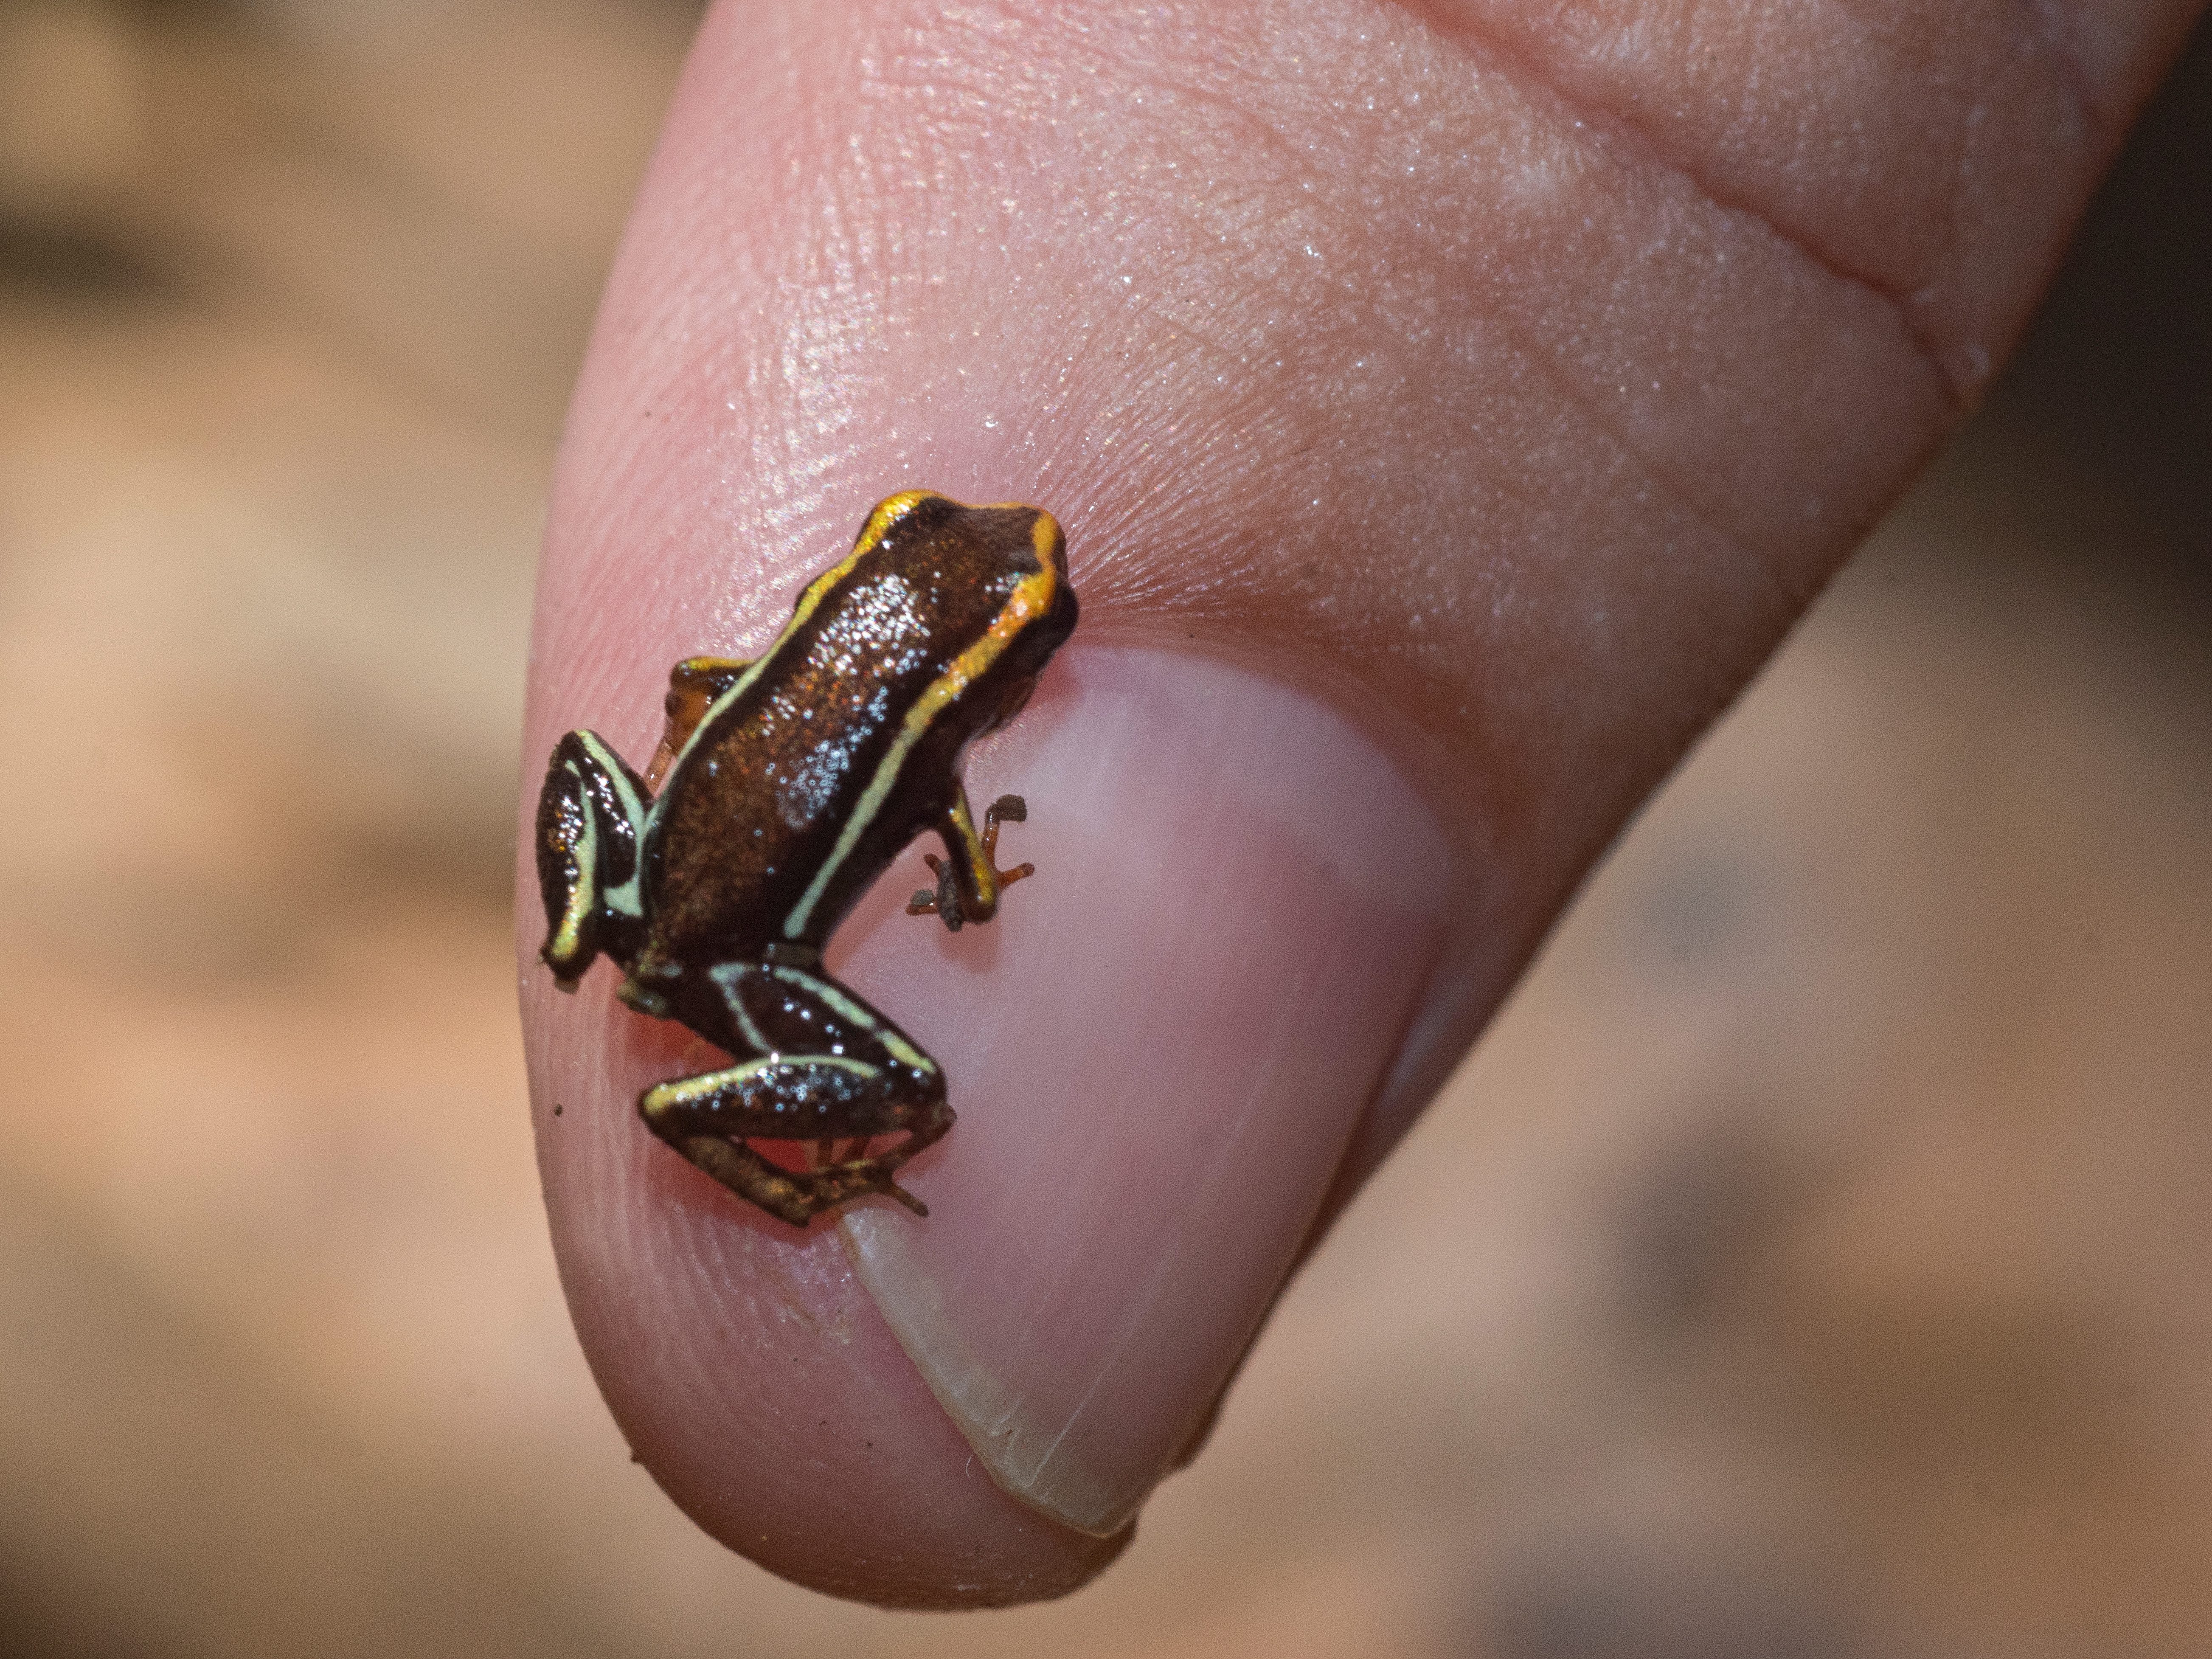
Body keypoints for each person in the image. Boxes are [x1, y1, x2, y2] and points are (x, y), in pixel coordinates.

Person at [517, 0, 2207, 1608]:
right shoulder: (940, 754)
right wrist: (960, 876)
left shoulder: (892, 691)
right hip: (730, 958)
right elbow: (933, 843)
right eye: (1022, 621)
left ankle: (608, 932)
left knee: (640, 773)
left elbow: (692, 704)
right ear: (953, 644)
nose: (1027, 572)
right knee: (916, 1085)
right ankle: (717, 1126)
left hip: (666, 875)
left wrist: (791, 770)